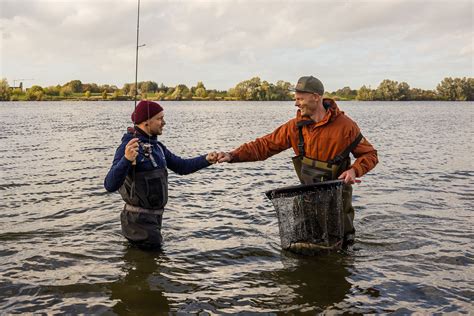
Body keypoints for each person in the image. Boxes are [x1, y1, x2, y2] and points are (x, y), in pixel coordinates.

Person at [217, 76, 378, 248]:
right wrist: (232, 155)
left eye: (300, 99)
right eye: (295, 99)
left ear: (316, 97)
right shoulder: (295, 127)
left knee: (343, 247)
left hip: (337, 205)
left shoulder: (346, 127)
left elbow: (370, 155)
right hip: (307, 204)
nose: (296, 104)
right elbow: (264, 146)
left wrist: (354, 170)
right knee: (304, 247)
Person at [104, 100, 218, 249]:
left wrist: (206, 159)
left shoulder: (158, 147)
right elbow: (109, 185)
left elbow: (181, 166)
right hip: (138, 223)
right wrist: (126, 159)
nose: (164, 122)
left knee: (150, 266)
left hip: (154, 220)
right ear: (146, 121)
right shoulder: (128, 148)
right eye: (159, 118)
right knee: (152, 264)